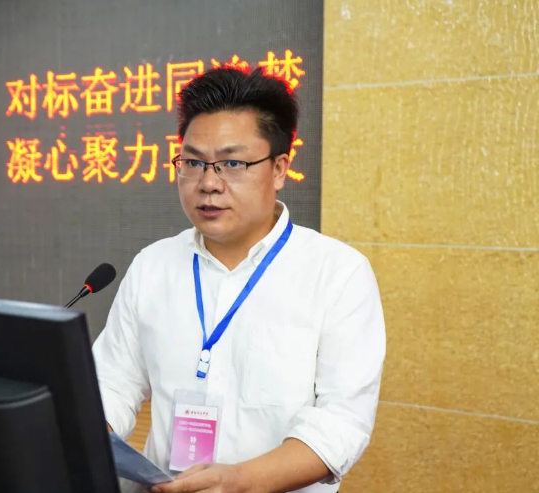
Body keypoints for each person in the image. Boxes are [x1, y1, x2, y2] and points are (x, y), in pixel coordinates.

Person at [92, 65, 386, 493]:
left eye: (232, 163)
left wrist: (241, 481)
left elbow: (341, 424)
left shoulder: (338, 273)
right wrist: (88, 431)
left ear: (280, 169)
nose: (208, 183)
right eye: (193, 162)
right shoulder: (153, 265)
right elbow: (112, 384)